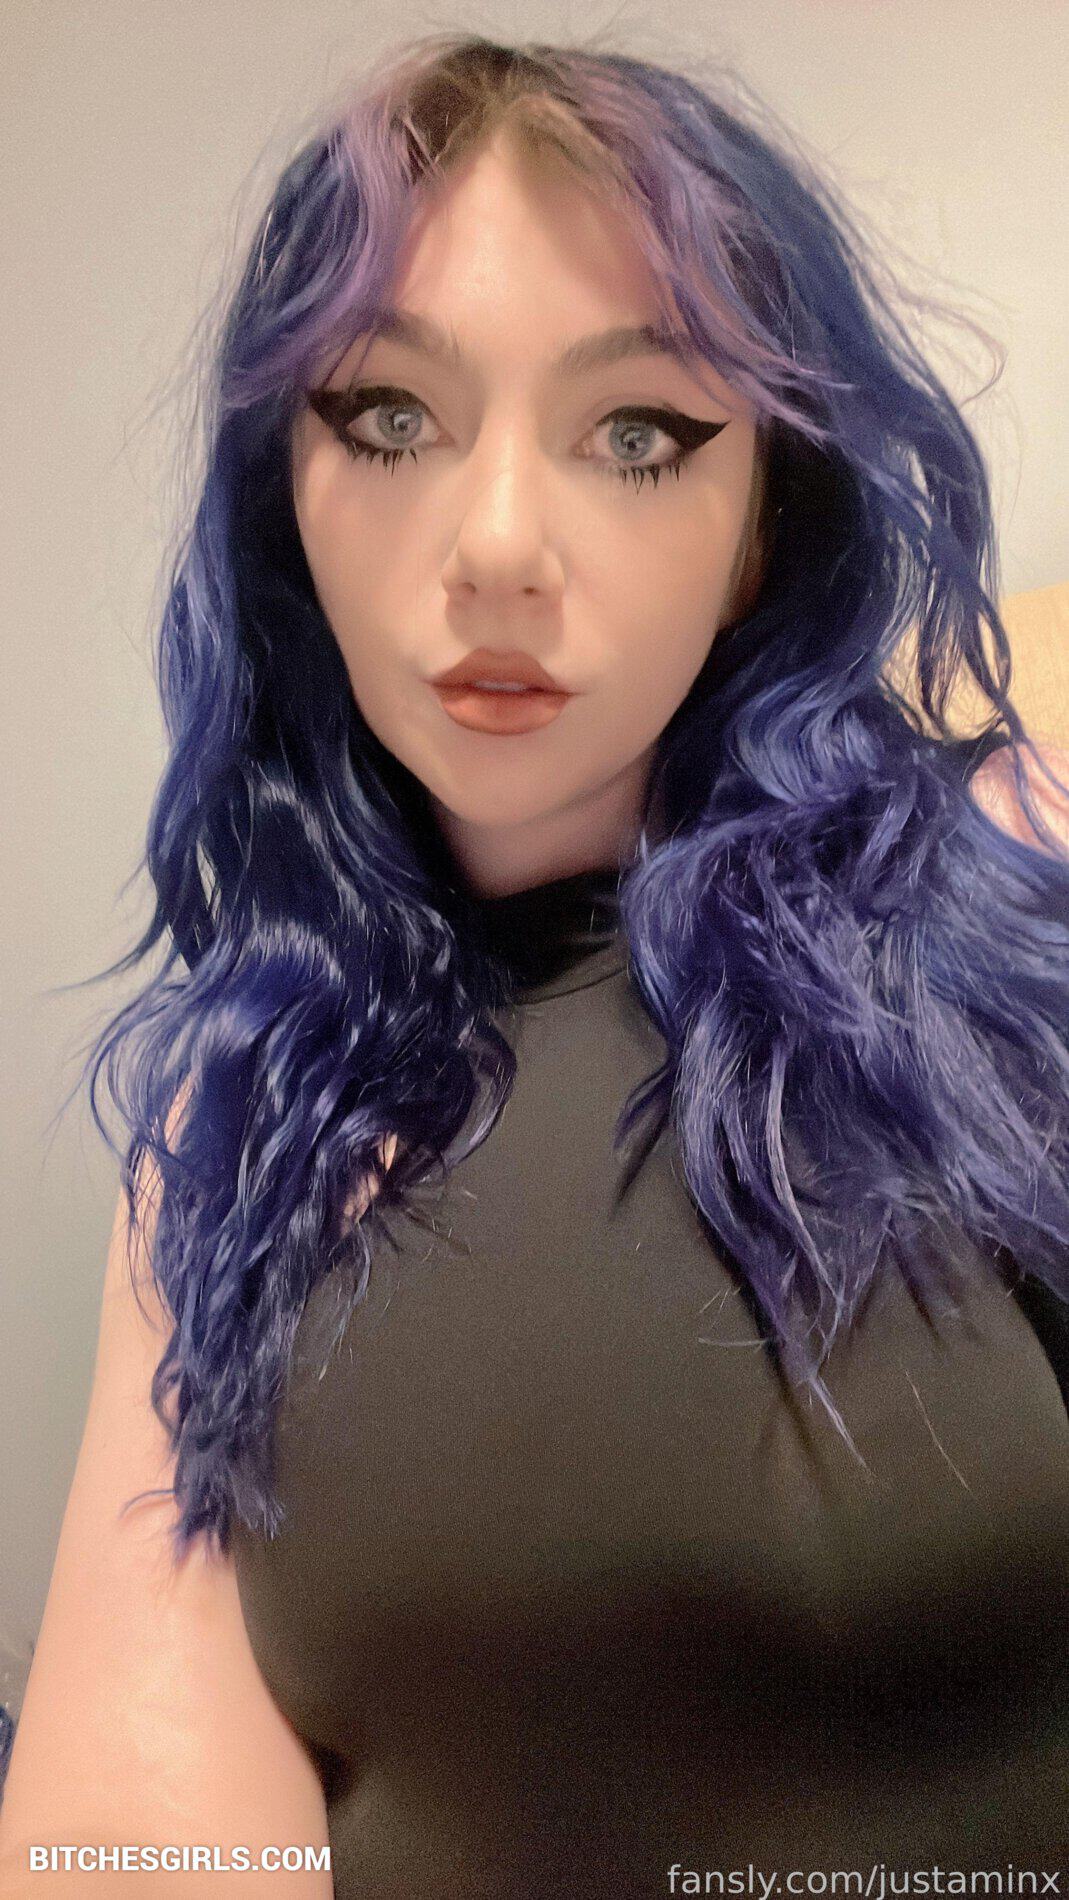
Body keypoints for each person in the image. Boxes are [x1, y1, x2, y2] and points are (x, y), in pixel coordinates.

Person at [2, 32, 1068, 1898]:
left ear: (758, 527)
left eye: (637, 434)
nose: (496, 546)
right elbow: (128, 1828)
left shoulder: (1003, 881)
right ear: (284, 499)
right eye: (387, 418)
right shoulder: (241, 1111)